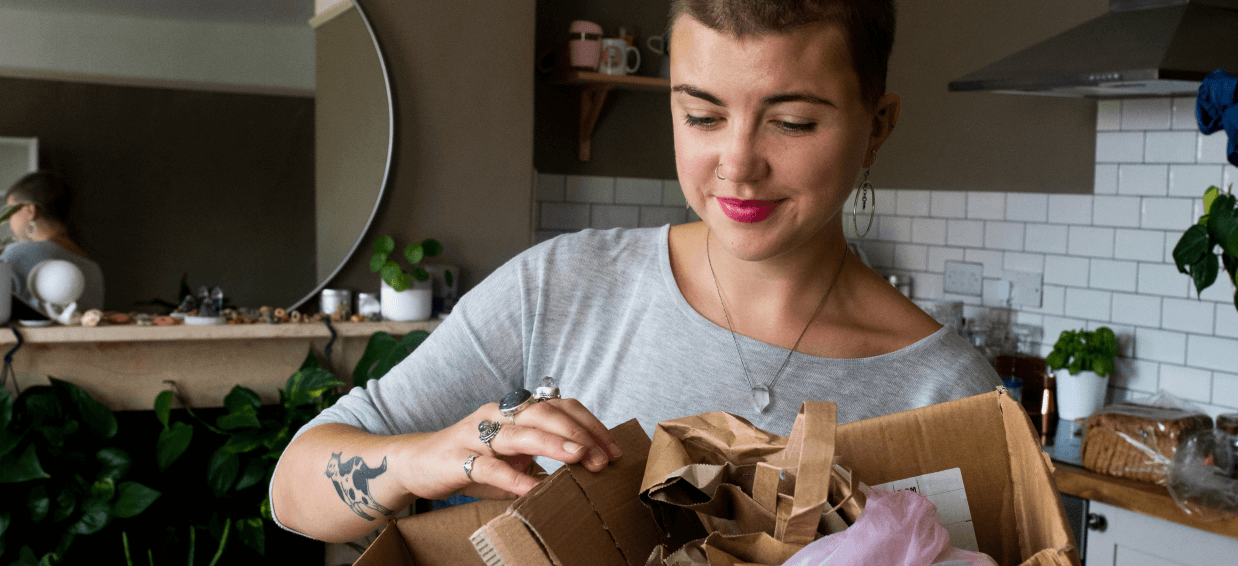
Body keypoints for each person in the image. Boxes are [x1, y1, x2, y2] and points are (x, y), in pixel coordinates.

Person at [270, 0, 1001, 543]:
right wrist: (419, 461)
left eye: (793, 122)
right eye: (703, 117)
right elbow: (295, 490)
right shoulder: (564, 286)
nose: (737, 166)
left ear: (878, 125)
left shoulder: (950, 396)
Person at [1, 171, 105, 310]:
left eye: (11, 212)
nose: (10, 221)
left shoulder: (19, 252)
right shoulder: (94, 269)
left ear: (31, 210)